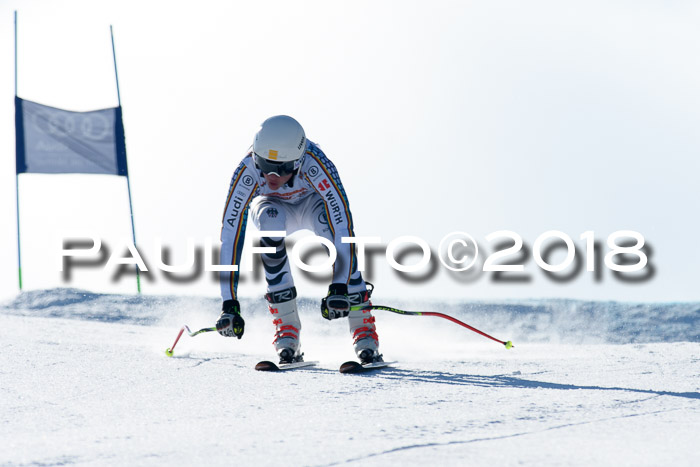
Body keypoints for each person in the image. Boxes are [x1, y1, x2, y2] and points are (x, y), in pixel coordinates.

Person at [215, 115, 381, 365]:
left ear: (299, 161)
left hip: (312, 203)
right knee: (269, 229)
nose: (272, 175)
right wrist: (229, 302)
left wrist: (339, 286)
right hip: (273, 206)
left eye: (282, 167)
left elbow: (342, 223)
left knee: (329, 227)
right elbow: (230, 234)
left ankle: (364, 331)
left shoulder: (316, 164)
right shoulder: (247, 170)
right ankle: (288, 332)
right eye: (264, 163)